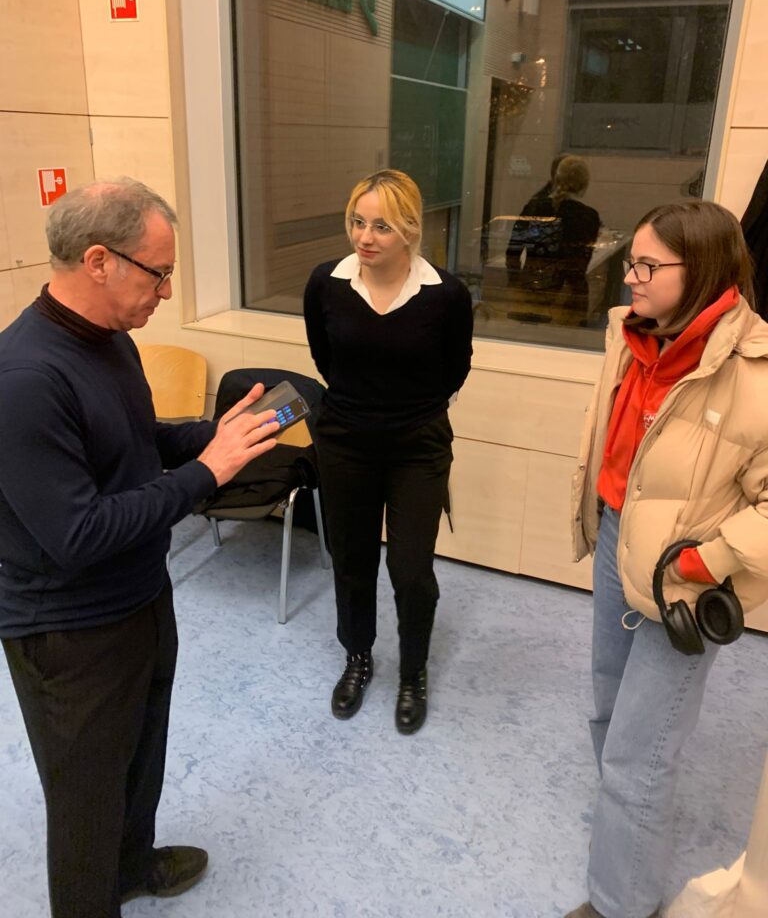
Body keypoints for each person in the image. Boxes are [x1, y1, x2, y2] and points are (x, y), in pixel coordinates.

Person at [0, 179, 280, 918]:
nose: (167, 291)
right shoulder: (24, 379)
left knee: (141, 753)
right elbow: (78, 535)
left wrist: (214, 437)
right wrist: (206, 473)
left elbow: (133, 442)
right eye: (158, 273)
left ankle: (130, 865)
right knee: (85, 797)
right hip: (68, 630)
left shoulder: (112, 339)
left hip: (139, 596)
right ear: (99, 261)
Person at [568, 200, 768, 918]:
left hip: (683, 578)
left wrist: (707, 563)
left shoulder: (758, 371)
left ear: (703, 270)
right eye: (632, 261)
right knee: (607, 706)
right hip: (617, 537)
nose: (630, 277)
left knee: (641, 750)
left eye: (649, 266)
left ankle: (621, 902)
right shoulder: (631, 335)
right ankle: (628, 829)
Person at [303, 169, 473, 734]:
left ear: (410, 230)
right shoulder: (326, 283)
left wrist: (405, 408)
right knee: (352, 560)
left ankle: (413, 671)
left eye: (381, 226)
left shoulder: (446, 295)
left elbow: (455, 369)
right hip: (344, 440)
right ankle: (358, 656)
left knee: (411, 569)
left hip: (417, 445)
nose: (365, 236)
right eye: (357, 221)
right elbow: (324, 357)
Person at [506, 154, 600, 318]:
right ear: (584, 184)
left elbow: (512, 251)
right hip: (571, 294)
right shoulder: (589, 216)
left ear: (555, 178)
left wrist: (515, 284)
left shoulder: (534, 206)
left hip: (533, 287)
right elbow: (580, 263)